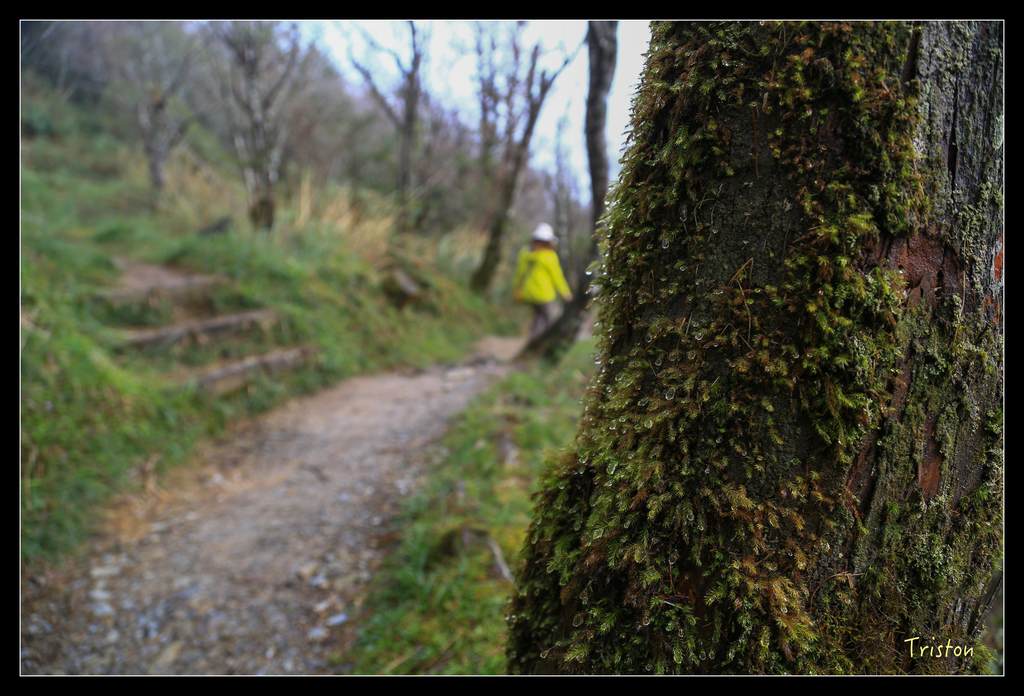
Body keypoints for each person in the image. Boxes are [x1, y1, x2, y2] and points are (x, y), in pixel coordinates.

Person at [514, 223, 573, 341]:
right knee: (548, 320)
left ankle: (533, 338)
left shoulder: (525, 253)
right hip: (544, 294)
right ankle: (542, 343)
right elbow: (557, 277)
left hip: (528, 293)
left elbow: (519, 273)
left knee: (538, 316)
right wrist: (565, 292)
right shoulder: (549, 256)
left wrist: (517, 288)